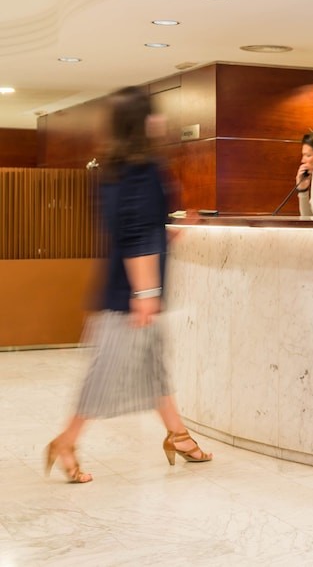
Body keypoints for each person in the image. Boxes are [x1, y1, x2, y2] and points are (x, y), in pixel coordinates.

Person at [45, 86, 212, 484]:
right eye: (154, 114)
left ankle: (178, 434)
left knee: (154, 367)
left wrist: (170, 235)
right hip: (131, 294)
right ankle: (66, 441)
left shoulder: (113, 169)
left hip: (124, 286)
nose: (161, 120)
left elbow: (133, 229)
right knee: (106, 372)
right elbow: (136, 234)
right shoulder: (143, 169)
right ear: (143, 122)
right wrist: (146, 293)